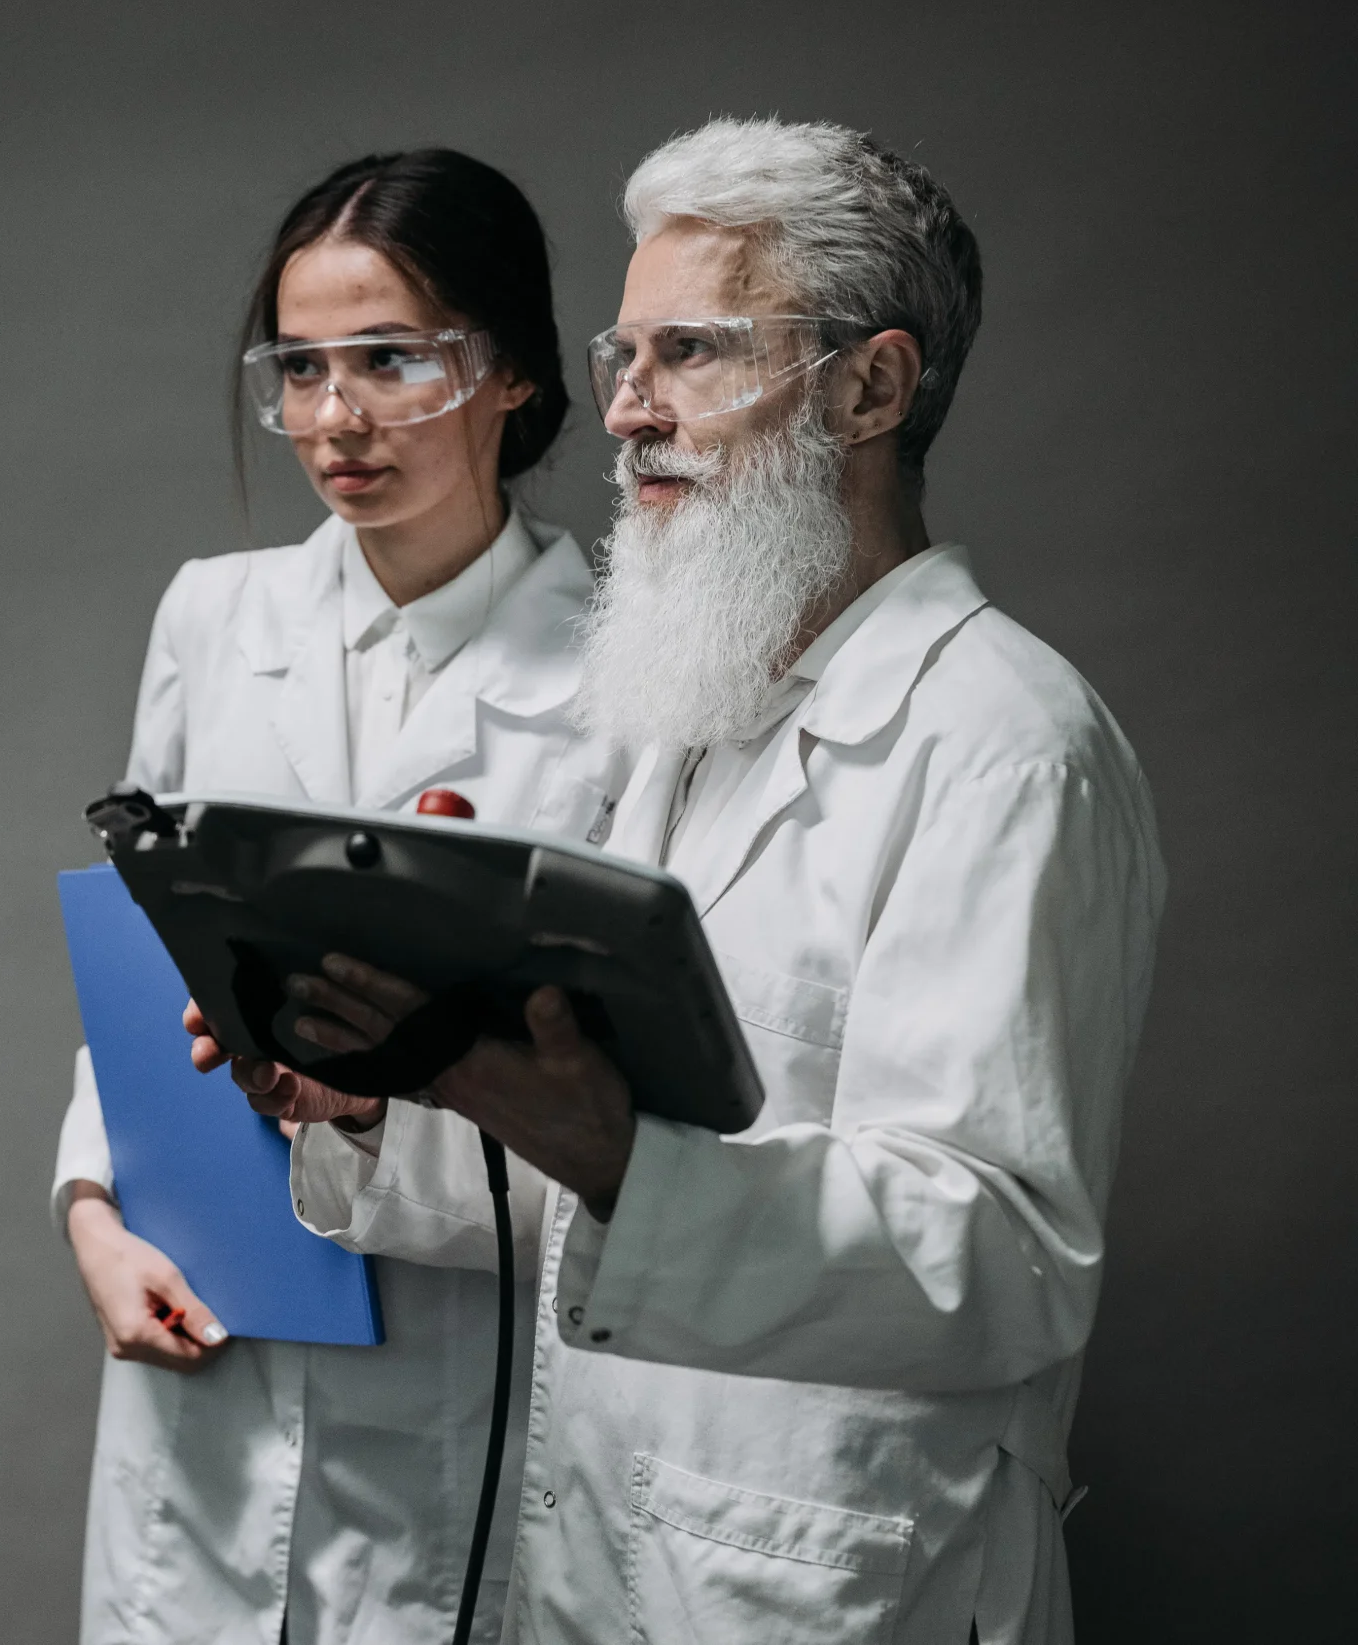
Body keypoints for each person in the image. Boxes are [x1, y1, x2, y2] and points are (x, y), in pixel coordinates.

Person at [212, 118, 1165, 1642]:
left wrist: (621, 1164)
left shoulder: (1002, 741)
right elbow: (592, 1155)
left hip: (835, 1581)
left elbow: (1002, 1256)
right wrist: (382, 1094)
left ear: (872, 387)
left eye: (698, 354)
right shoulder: (693, 725)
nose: (634, 412)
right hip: (610, 1558)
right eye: (625, 355)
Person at [52, 149, 624, 1645]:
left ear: (508, 373)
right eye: (300, 369)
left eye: (389, 361)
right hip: (212, 1347)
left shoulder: (625, 670)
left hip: (461, 1364)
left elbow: (629, 1098)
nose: (334, 419)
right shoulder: (214, 615)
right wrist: (96, 1217)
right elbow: (138, 951)